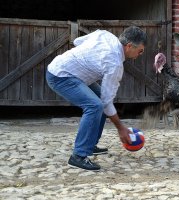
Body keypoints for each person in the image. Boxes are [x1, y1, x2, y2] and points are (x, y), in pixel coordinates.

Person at [46, 26, 147, 171]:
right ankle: (78, 156)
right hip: (60, 76)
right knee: (95, 105)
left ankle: (90, 144)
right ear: (129, 46)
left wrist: (87, 60)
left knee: (98, 100)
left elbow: (77, 41)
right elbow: (106, 102)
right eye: (141, 50)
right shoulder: (115, 64)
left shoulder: (105, 34)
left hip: (68, 71)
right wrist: (121, 128)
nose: (140, 54)